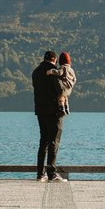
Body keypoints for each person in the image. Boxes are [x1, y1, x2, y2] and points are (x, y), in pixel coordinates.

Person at [31, 50, 66, 182]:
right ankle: (52, 174)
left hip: (40, 110)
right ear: (54, 59)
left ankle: (40, 174)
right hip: (53, 111)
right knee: (53, 142)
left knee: (43, 142)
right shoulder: (53, 71)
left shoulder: (35, 72)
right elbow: (60, 89)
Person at [47, 52, 77, 116]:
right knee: (65, 97)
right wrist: (70, 85)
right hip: (69, 89)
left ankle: (62, 109)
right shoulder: (71, 70)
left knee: (60, 97)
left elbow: (59, 73)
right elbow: (74, 79)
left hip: (63, 87)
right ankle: (67, 108)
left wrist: (51, 71)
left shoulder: (63, 67)